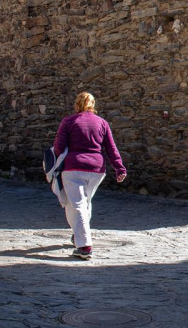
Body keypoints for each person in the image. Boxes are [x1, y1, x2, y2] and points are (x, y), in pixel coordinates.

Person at [52, 92, 127, 260]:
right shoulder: (102, 123)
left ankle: (85, 246)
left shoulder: (69, 121)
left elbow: (58, 147)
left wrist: (59, 159)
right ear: (93, 104)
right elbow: (111, 148)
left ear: (77, 104)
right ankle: (78, 235)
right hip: (96, 169)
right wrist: (119, 168)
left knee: (77, 204)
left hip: (73, 168)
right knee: (85, 202)